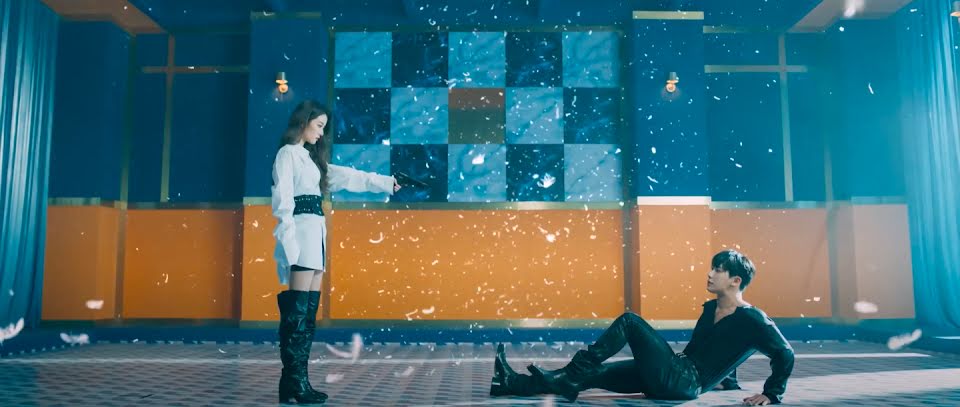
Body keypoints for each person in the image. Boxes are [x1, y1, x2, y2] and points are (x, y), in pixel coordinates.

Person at [490, 249, 794, 405]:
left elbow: (784, 353)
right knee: (592, 375)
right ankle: (511, 384)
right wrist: (727, 380)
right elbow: (722, 348)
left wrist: (771, 393)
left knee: (630, 322)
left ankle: (573, 372)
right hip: (672, 373)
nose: (710, 274)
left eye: (718, 270)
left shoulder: (753, 319)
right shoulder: (710, 308)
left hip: (683, 382)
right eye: (712, 267)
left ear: (735, 281)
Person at [271, 100, 401, 404]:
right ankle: (294, 381)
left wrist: (385, 183)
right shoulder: (287, 154)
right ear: (303, 122)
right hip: (300, 236)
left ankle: (295, 380)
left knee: (307, 313)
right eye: (318, 126)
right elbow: (282, 201)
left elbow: (350, 177)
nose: (321, 133)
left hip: (314, 236)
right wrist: (288, 244)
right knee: (297, 312)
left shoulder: (312, 160)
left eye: (323, 128)